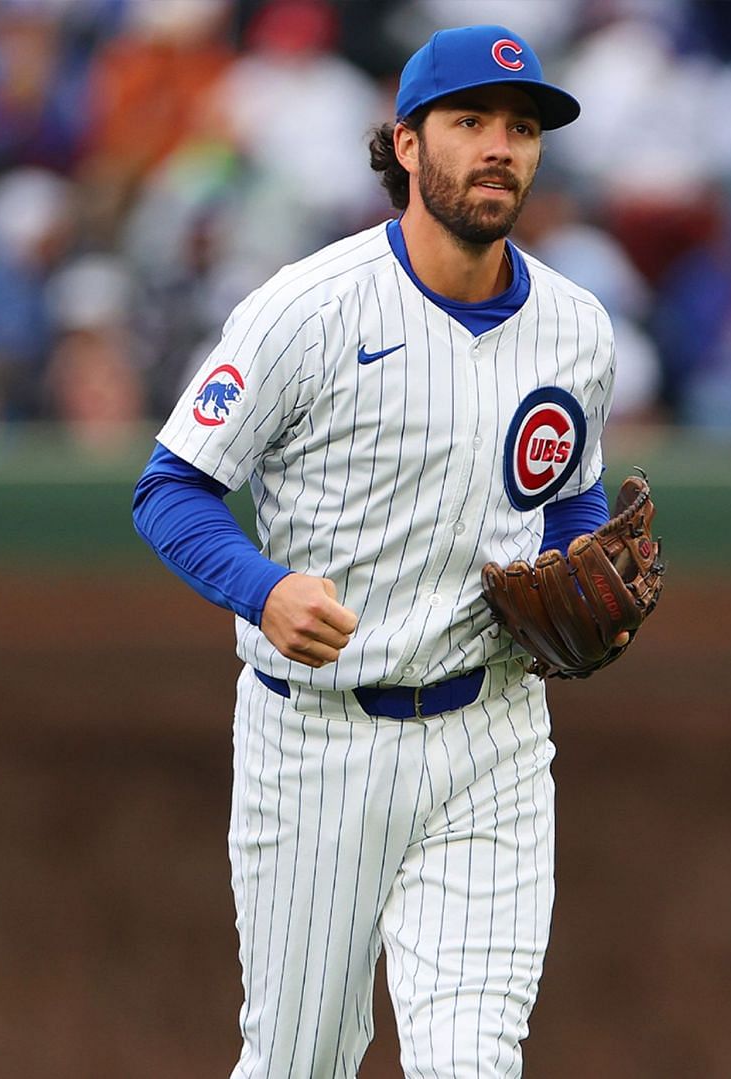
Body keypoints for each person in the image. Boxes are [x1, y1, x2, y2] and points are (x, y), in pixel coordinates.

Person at [129, 26, 609, 1076]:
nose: (499, 147)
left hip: (495, 736)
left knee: (470, 1060)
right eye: (470, 121)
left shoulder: (576, 326)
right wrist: (262, 589)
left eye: (521, 128)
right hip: (319, 739)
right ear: (403, 142)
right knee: (301, 1059)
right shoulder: (305, 308)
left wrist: (584, 571)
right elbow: (170, 489)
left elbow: (571, 496)